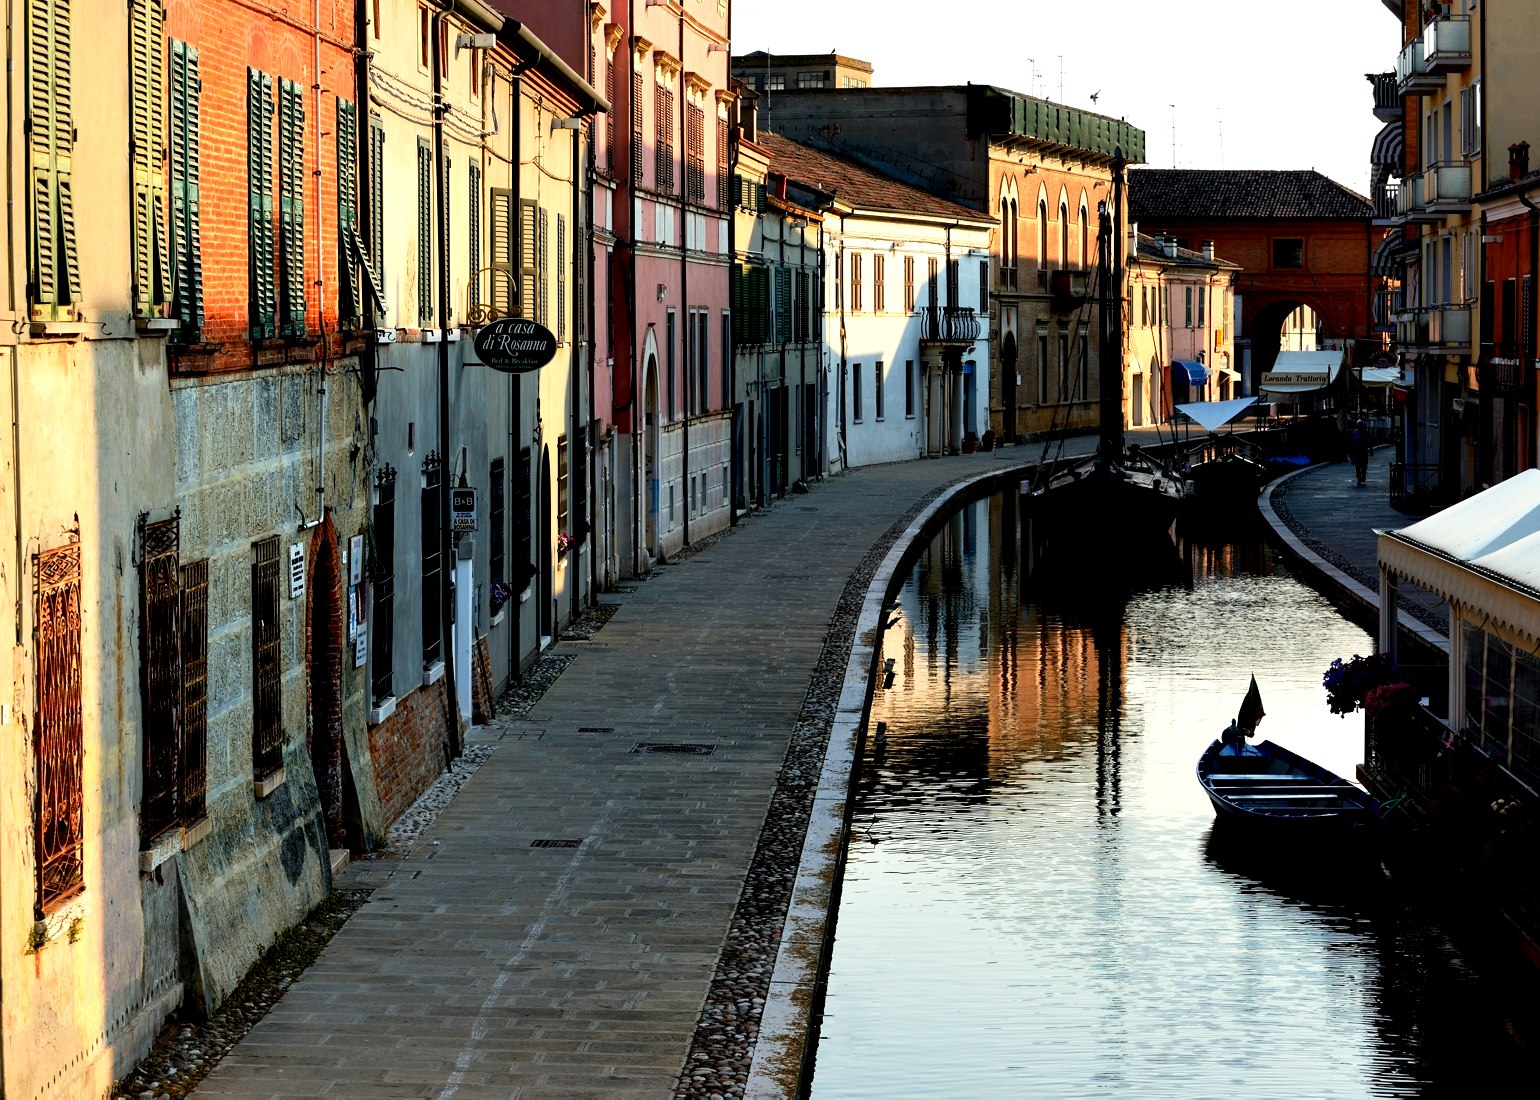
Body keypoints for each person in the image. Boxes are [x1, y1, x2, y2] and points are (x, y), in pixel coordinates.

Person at [1347, 421, 1370, 486]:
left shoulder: (1354, 432)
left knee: (1358, 466)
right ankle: (1362, 475)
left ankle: (1359, 478)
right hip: (1363, 451)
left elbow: (1351, 443)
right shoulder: (1366, 432)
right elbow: (1369, 441)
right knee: (1364, 465)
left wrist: (1350, 452)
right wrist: (1371, 449)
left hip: (1357, 452)